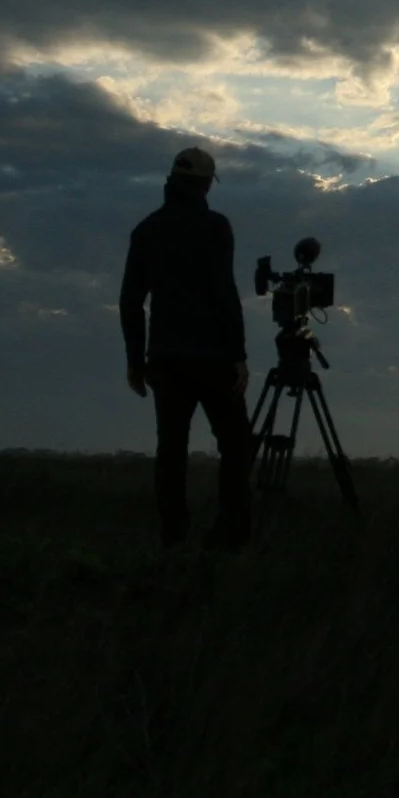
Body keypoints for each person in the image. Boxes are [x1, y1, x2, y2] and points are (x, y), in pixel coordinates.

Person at [120, 145, 252, 552]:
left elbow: (131, 300)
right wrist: (238, 356)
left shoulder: (147, 229)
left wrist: (135, 362)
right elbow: (224, 293)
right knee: (237, 444)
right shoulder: (215, 227)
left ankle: (174, 536)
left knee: (171, 449)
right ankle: (230, 535)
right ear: (206, 185)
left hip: (166, 358)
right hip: (212, 358)